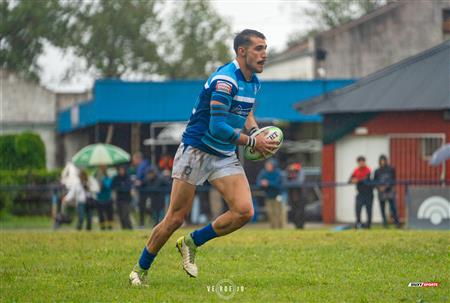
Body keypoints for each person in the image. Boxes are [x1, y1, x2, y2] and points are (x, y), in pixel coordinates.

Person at [129, 29, 277, 286]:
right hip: (196, 150)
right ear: (241, 51)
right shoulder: (225, 81)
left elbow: (245, 110)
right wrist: (254, 142)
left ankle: (191, 242)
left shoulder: (253, 81)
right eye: (258, 49)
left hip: (223, 154)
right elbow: (217, 128)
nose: (264, 54)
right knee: (175, 218)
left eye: (265, 48)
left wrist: (255, 131)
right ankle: (139, 271)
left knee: (244, 211)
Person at [373, 155, 400, 228]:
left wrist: (386, 186)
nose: (382, 162)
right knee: (382, 209)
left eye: (384, 160)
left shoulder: (391, 169)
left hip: (390, 191)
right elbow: (374, 182)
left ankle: (397, 223)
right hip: (381, 193)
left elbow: (393, 180)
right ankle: (385, 224)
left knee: (393, 208)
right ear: (379, 161)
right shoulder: (377, 171)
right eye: (381, 161)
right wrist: (379, 187)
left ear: (386, 161)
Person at [257, 159, 284, 229]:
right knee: (270, 213)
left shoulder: (278, 173)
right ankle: (273, 228)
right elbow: (258, 183)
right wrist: (262, 183)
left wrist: (268, 183)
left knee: (278, 213)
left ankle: (281, 228)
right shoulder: (263, 172)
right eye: (267, 165)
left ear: (273, 166)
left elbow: (277, 184)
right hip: (268, 196)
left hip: (278, 195)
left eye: (269, 165)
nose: (268, 167)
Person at [349, 156, 374, 229]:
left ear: (364, 162)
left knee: (369, 210)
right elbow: (350, 180)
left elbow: (365, 179)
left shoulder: (368, 169)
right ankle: (358, 224)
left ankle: (368, 225)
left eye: (362, 161)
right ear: (358, 163)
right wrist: (353, 180)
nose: (361, 163)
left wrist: (357, 180)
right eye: (359, 162)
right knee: (358, 209)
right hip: (360, 193)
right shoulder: (356, 170)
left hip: (368, 193)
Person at [132, 151, 151, 227]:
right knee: (142, 207)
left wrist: (140, 182)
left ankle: (142, 224)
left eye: (134, 159)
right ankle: (142, 223)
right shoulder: (143, 165)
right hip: (143, 190)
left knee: (143, 207)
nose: (133, 162)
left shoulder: (143, 166)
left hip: (145, 190)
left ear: (138, 158)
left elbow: (147, 177)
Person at [111, 165, 133, 230]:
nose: (121, 171)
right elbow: (112, 186)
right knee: (120, 216)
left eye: (122, 170)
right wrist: (121, 187)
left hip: (126, 200)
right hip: (119, 199)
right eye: (120, 170)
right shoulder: (116, 178)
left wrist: (120, 188)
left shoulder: (127, 177)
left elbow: (128, 188)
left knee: (125, 215)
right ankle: (124, 228)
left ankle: (129, 228)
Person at [286, 162, 306, 229]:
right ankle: (296, 226)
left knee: (300, 212)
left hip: (300, 194)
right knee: (293, 211)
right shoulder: (288, 171)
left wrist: (292, 182)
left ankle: (301, 226)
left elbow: (299, 182)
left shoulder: (300, 171)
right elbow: (286, 183)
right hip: (292, 195)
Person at [95, 165, 114, 230]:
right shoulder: (96, 177)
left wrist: (103, 183)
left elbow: (109, 186)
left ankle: (110, 227)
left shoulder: (108, 177)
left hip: (108, 198)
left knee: (109, 215)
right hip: (99, 199)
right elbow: (95, 188)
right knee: (101, 216)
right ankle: (102, 228)